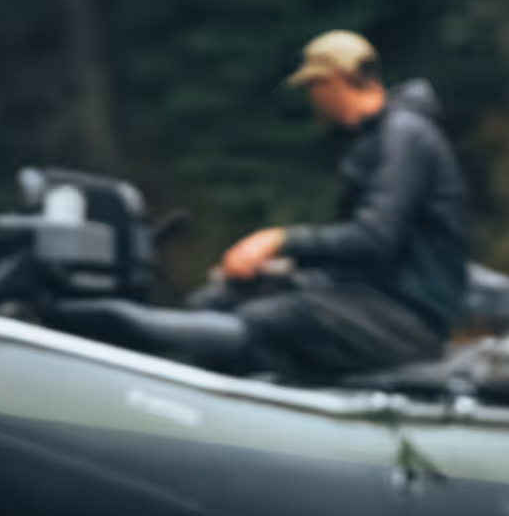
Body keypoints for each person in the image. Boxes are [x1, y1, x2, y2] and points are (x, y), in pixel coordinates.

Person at [57, 30, 465, 381]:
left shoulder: (404, 136)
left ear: (334, 82)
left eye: (312, 87)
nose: (312, 99)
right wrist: (284, 270)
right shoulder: (377, 138)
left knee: (265, 319)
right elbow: (364, 256)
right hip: (369, 300)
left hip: (406, 319)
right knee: (219, 300)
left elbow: (375, 237)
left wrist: (278, 240)